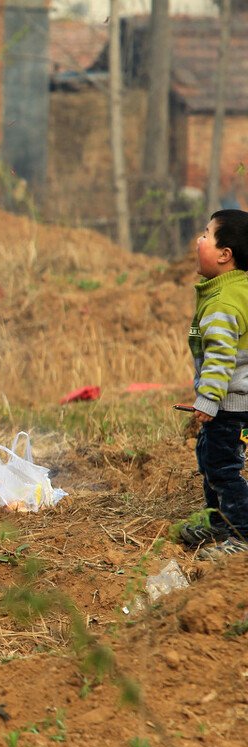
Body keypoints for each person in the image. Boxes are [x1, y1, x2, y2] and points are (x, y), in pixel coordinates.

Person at [179, 209, 248, 559]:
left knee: (223, 469)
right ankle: (220, 522)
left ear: (225, 254)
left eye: (206, 234)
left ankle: (242, 536)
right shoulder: (233, 289)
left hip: (230, 405)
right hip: (232, 401)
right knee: (210, 460)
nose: (198, 240)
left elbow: (222, 357)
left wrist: (206, 401)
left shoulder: (222, 302)